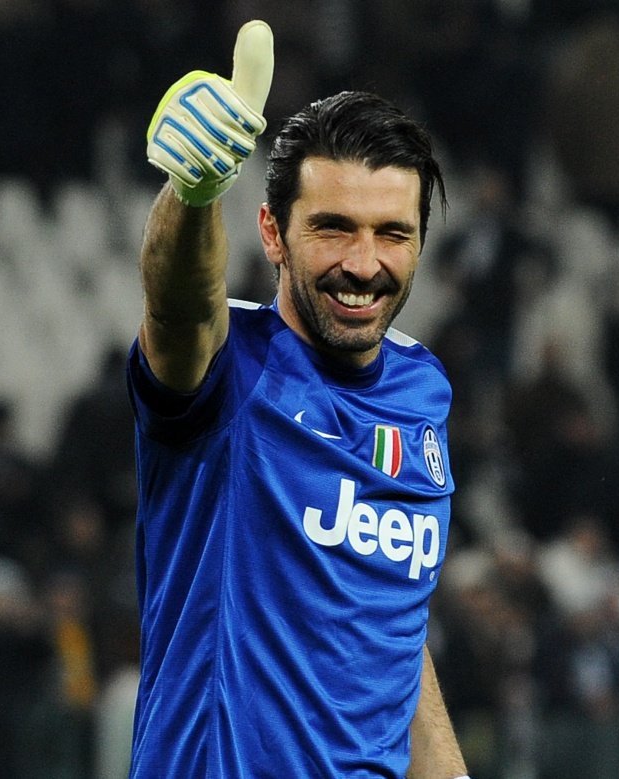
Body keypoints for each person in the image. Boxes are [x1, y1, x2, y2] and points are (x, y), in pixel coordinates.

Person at [127, 20, 470, 778]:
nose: (364, 263)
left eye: (393, 233)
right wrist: (194, 196)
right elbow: (178, 309)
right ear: (273, 234)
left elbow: (392, 627)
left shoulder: (422, 392)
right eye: (333, 229)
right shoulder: (230, 373)